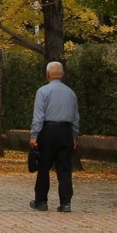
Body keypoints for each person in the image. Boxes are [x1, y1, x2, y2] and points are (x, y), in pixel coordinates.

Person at [29, 61, 80, 213]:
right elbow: (76, 117)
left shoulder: (43, 92)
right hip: (66, 131)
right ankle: (65, 203)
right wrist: (74, 136)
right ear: (63, 75)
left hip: (47, 131)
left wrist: (34, 135)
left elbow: (38, 116)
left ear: (47, 75)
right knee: (65, 168)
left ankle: (41, 201)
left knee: (43, 166)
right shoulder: (71, 93)